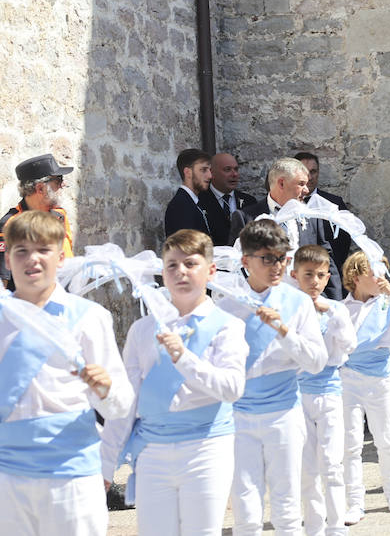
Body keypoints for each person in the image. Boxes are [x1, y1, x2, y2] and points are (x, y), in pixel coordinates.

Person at [100, 228, 247, 536]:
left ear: (210, 271)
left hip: (207, 447)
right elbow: (127, 402)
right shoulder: (143, 330)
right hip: (153, 450)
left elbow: (232, 388)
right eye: (172, 265)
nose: (180, 272)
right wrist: (107, 462)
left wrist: (184, 357)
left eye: (190, 264)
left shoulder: (228, 326)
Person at [0, 210, 133, 536]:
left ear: (61, 258)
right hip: (9, 478)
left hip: (71, 474)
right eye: (22, 251)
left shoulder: (89, 318)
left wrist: (106, 388)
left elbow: (123, 406)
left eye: (43, 250)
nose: (32, 259)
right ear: (8, 258)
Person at [218, 218, 327, 536]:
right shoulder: (228, 306)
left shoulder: (297, 303)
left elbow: (318, 361)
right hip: (239, 416)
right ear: (246, 261)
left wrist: (284, 331)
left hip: (284, 413)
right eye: (268, 258)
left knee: (286, 505)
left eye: (282, 258)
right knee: (246, 506)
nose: (277, 266)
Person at [340, 252, 390, 522]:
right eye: (375, 274)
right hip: (348, 379)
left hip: (379, 380)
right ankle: (354, 500)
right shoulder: (342, 308)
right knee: (350, 444)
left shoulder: (386, 304)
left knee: (386, 438)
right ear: (357, 277)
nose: (381, 279)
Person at [292, 245, 357, 536]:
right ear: (294, 275)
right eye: (308, 275)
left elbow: (349, 345)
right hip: (299, 394)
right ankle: (314, 527)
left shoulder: (336, 309)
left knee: (332, 462)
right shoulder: (290, 310)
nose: (315, 282)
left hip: (330, 390)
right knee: (307, 468)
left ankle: (336, 525)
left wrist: (331, 315)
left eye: (320, 275)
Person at [238, 158, 353, 300]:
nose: (306, 190)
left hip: (308, 300)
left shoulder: (310, 215)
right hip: (264, 301)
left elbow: (325, 258)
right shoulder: (247, 217)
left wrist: (333, 300)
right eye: (301, 184)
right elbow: (238, 263)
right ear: (281, 183)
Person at [1, 153, 77, 284]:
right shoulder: (10, 224)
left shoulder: (59, 215)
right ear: (40, 188)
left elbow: (67, 262)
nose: (63, 184)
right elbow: (3, 282)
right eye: (58, 180)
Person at [164, 148, 215, 243]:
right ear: (188, 172)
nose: (210, 176)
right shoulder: (180, 206)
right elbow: (187, 248)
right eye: (203, 170)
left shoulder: (193, 202)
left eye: (209, 170)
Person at [207, 152, 256, 247]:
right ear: (212, 172)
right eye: (227, 169)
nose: (234, 174)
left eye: (236, 169)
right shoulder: (200, 201)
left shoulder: (249, 201)